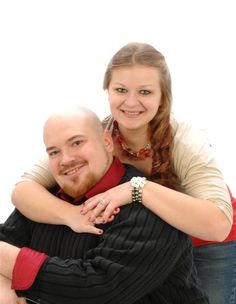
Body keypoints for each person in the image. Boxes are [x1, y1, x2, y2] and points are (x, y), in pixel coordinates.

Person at [11, 43, 236, 303]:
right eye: (120, 90)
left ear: (163, 96)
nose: (131, 102)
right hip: (146, 243)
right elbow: (24, 190)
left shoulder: (185, 142)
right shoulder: (96, 137)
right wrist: (72, 215)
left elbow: (218, 225)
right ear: (107, 92)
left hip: (207, 241)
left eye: (145, 92)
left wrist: (136, 189)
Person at [0, 107, 209, 304]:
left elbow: (96, 290)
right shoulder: (45, 199)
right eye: (54, 152)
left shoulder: (152, 210)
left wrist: (14, 271)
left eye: (77, 143)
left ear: (107, 142)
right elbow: (6, 241)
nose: (65, 159)